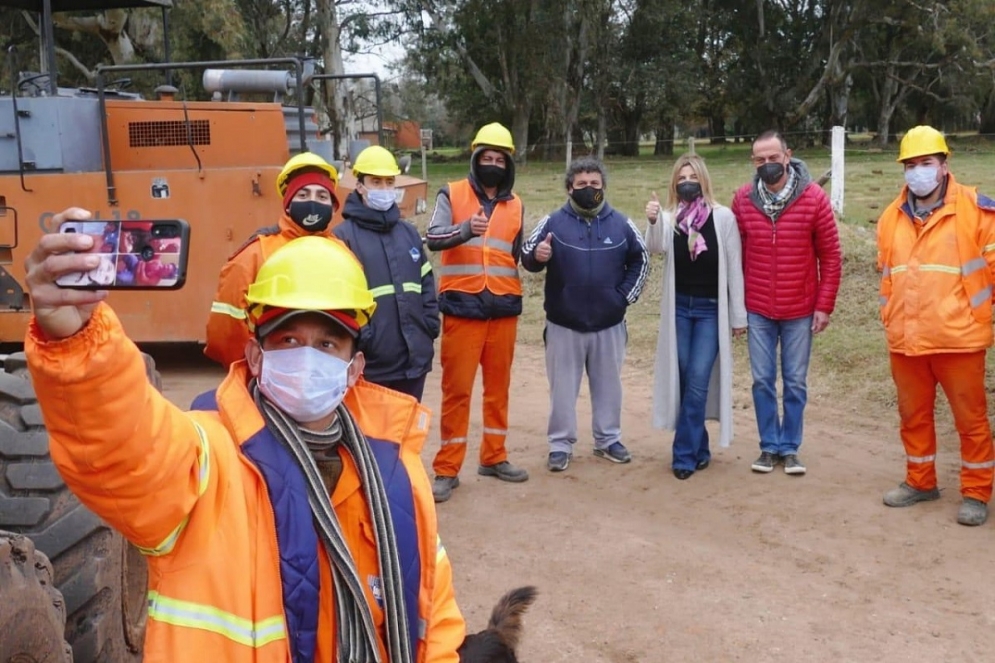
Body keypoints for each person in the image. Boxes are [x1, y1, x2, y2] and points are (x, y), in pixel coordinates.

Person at [24, 217, 466, 661]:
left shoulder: (396, 474)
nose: (306, 357)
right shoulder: (206, 461)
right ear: (255, 356)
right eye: (288, 339)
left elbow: (437, 621)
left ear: (354, 369)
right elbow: (122, 448)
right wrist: (79, 338)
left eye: (327, 344)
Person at [876, 125, 995, 527]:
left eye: (926, 162)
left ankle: (977, 493)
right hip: (907, 340)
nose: (918, 171)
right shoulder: (891, 217)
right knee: (913, 417)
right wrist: (890, 317)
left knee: (971, 421)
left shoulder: (978, 211)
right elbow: (888, 276)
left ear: (944, 165)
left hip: (959, 341)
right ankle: (920, 481)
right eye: (910, 164)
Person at [521, 157, 648, 472]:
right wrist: (538, 256)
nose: (588, 189)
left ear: (603, 186)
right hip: (564, 324)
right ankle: (560, 445)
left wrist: (622, 299)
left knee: (609, 386)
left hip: (609, 323)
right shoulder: (552, 222)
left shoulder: (621, 223)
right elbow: (526, 255)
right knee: (562, 389)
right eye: (581, 185)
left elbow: (641, 259)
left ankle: (608, 440)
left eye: (594, 184)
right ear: (569, 188)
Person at [425, 122, 528, 502]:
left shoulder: (516, 205)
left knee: (498, 390)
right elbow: (432, 238)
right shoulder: (450, 194)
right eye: (486, 157)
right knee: (457, 391)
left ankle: (494, 457)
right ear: (474, 158)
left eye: (499, 158)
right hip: (462, 309)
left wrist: (538, 256)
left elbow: (518, 255)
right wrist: (466, 229)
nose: (492, 164)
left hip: (503, 309)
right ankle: (447, 469)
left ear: (508, 164)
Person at [731, 130, 842, 476]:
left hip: (800, 308)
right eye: (759, 160)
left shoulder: (813, 199)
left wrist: (824, 305)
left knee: (794, 381)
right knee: (762, 380)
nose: (767, 165)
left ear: (788, 155)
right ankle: (769, 446)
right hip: (758, 308)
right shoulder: (743, 200)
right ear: (754, 162)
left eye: (773, 158)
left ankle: (790, 447)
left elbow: (831, 256)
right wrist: (737, 307)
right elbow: (736, 257)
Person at [644, 154, 747, 480]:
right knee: (687, 379)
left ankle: (683, 455)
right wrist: (652, 220)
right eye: (681, 177)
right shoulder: (671, 218)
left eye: (692, 176)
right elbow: (656, 247)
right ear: (675, 183)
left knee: (700, 381)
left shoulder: (723, 218)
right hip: (679, 309)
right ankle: (700, 446)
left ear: (703, 180)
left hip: (709, 311)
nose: (686, 182)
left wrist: (738, 316)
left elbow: (734, 269)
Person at [205, 152, 346, 368]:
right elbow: (226, 328)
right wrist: (252, 370)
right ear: (287, 204)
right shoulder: (254, 254)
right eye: (303, 194)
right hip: (270, 374)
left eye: (322, 196)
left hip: (327, 373)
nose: (312, 202)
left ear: (333, 207)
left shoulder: (344, 255)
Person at [333, 145, 440, 401]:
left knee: (408, 438)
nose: (383, 189)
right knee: (374, 439)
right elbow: (341, 301)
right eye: (376, 182)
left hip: (414, 362)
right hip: (372, 367)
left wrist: (429, 326)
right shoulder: (342, 238)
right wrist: (364, 340)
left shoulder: (409, 233)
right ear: (359, 186)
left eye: (389, 182)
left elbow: (426, 283)